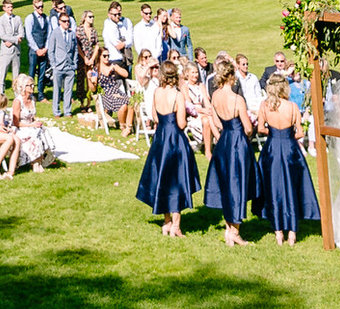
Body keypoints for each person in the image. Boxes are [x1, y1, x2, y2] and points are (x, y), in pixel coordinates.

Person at [251, 67, 318, 244]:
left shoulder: (264, 106)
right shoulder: (292, 107)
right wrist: (287, 135)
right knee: (292, 185)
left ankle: (278, 231)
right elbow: (300, 132)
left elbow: (260, 128)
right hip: (290, 149)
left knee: (273, 187)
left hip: (272, 148)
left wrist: (273, 133)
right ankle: (292, 233)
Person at [132, 58, 196, 237]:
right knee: (177, 180)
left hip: (160, 139)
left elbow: (155, 117)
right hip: (175, 139)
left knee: (164, 178)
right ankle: (175, 225)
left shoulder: (157, 92)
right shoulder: (177, 95)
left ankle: (167, 221)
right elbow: (182, 123)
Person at [199, 57, 254, 248]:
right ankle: (235, 232)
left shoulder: (215, 97)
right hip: (237, 142)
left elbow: (216, 122)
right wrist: (248, 133)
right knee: (237, 184)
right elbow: (247, 127)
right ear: (231, 76)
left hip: (223, 141)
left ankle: (228, 227)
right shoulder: (237, 99)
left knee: (226, 184)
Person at [45, 0, 79, 118]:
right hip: (58, 66)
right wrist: (54, 64)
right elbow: (51, 50)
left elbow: (75, 50)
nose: (67, 23)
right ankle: (56, 111)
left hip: (69, 66)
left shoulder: (71, 34)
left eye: (68, 21)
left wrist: (74, 63)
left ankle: (68, 111)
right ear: (60, 21)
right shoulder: (55, 33)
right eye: (64, 21)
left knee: (68, 90)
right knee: (57, 90)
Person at [99, 42, 134, 133]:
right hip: (106, 94)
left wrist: (116, 68)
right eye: (104, 56)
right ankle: (123, 127)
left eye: (108, 56)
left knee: (132, 102)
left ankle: (128, 126)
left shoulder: (112, 65)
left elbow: (126, 74)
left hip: (116, 91)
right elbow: (93, 87)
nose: (107, 58)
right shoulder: (97, 69)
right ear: (99, 57)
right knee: (123, 105)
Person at [26, 0, 54, 104]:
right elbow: (29, 35)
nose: (40, 8)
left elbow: (49, 34)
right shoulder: (30, 18)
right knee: (31, 73)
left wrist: (45, 48)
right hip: (34, 51)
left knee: (42, 74)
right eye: (38, 7)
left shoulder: (46, 18)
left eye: (42, 6)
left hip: (44, 50)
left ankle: (41, 95)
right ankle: (30, 94)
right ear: (34, 7)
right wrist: (36, 49)